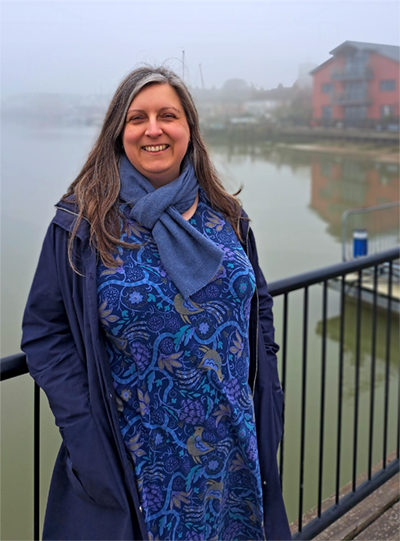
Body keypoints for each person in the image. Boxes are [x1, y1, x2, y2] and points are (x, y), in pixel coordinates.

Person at [21, 66, 291, 541]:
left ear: (189, 130)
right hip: (138, 460)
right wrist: (85, 431)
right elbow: (46, 332)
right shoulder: (82, 224)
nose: (154, 129)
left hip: (234, 452)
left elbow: (257, 303)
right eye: (137, 118)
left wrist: (268, 387)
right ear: (118, 133)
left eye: (168, 115)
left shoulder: (226, 215)